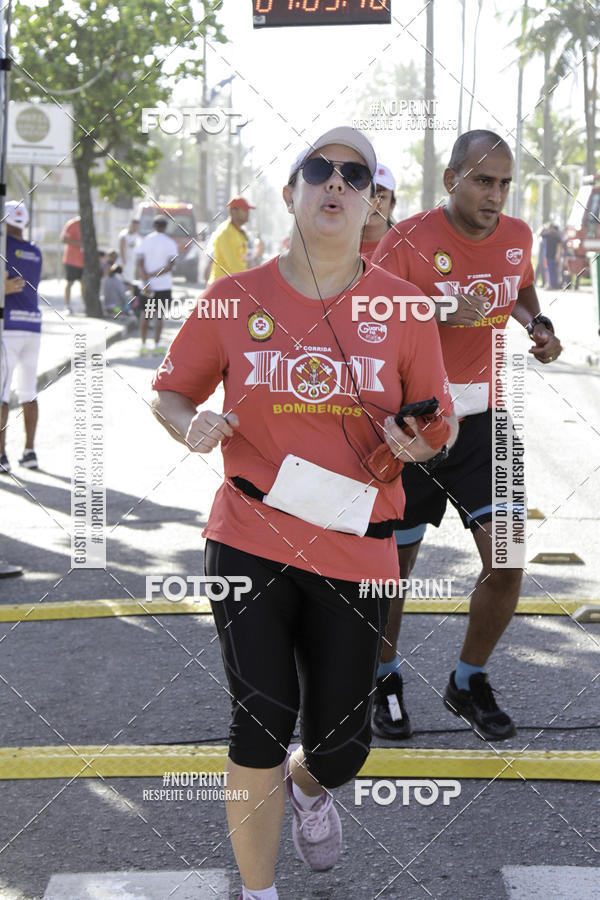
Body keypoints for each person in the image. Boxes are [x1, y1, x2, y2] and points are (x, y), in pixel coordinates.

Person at [151, 126, 457, 900]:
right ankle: (258, 892)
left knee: (345, 744)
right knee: (257, 717)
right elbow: (172, 389)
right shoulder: (233, 298)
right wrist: (189, 423)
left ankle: (310, 785)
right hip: (249, 532)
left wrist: (413, 441)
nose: (335, 182)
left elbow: (440, 424)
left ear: (372, 204)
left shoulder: (405, 308)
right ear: (291, 193)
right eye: (318, 169)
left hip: (359, 544)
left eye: (355, 175)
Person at [372, 129, 563, 742]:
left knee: (505, 563)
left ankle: (467, 680)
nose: (496, 194)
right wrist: (427, 310)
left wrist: (537, 323)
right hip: (416, 423)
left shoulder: (517, 237)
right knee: (392, 570)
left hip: (485, 424)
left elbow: (520, 285)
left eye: (505, 183)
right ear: (452, 178)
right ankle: (385, 678)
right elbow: (365, 311)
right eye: (484, 180)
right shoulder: (408, 239)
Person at [1, 201, 43, 474]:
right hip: (33, 328)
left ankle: (1, 454)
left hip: (8, 328)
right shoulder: (35, 253)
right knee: (29, 392)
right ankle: (29, 452)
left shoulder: (4, 249)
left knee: (3, 393)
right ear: (25, 223)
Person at [136, 216, 178, 355]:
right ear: (165, 227)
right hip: (163, 285)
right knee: (159, 315)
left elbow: (140, 262)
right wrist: (154, 274)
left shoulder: (145, 240)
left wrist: (146, 278)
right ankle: (157, 345)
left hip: (147, 285)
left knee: (145, 314)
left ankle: (142, 345)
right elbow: (170, 266)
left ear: (154, 226)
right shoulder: (170, 243)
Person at [206, 196, 255, 285]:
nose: (248, 213)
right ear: (233, 211)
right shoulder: (226, 233)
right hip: (221, 289)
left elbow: (243, 261)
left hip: (232, 286)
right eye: (244, 210)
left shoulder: (240, 232)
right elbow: (234, 267)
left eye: (248, 210)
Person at [360, 163, 396, 259]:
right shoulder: (335, 243)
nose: (374, 202)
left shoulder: (404, 246)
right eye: (368, 194)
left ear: (392, 205)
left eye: (381, 196)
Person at [60, 214, 84, 315]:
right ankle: (67, 305)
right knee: (69, 283)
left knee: (84, 284)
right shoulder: (72, 224)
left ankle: (85, 306)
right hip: (71, 260)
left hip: (83, 261)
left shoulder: (88, 225)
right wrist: (78, 244)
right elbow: (63, 240)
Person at [118, 218, 140, 289]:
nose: (135, 228)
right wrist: (124, 262)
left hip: (131, 262)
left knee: (130, 281)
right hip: (124, 262)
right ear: (131, 225)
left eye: (137, 226)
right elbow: (122, 249)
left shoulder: (136, 235)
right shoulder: (124, 235)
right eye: (134, 226)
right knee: (124, 281)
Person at [541, 222, 564, 289]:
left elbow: (560, 246)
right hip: (549, 256)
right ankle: (551, 285)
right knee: (550, 271)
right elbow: (540, 234)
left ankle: (552, 285)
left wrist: (558, 255)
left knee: (552, 271)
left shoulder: (555, 235)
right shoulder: (549, 235)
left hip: (552, 256)